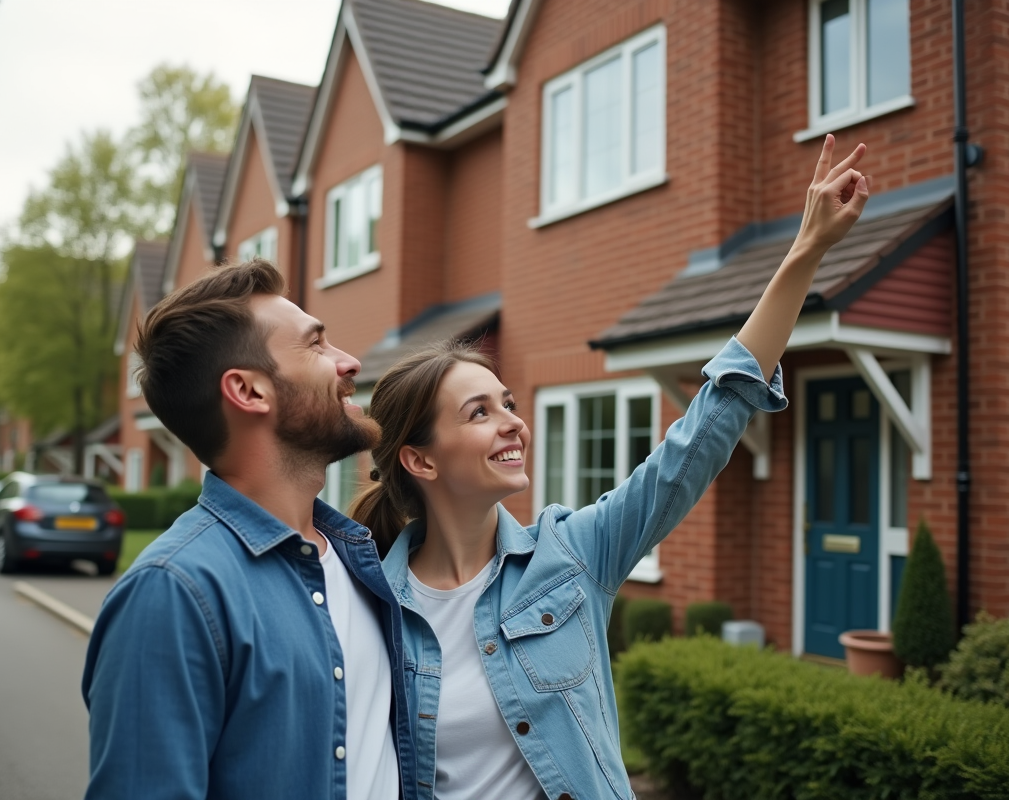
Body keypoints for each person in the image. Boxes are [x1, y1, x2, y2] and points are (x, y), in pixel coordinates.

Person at [349, 135, 871, 800]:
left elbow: (702, 434)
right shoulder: (372, 606)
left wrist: (807, 249)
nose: (513, 422)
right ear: (419, 458)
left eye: (509, 404)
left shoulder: (572, 556)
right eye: (479, 412)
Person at [82, 260, 416, 800]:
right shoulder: (172, 592)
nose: (349, 361)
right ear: (248, 391)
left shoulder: (361, 559)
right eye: (316, 345)